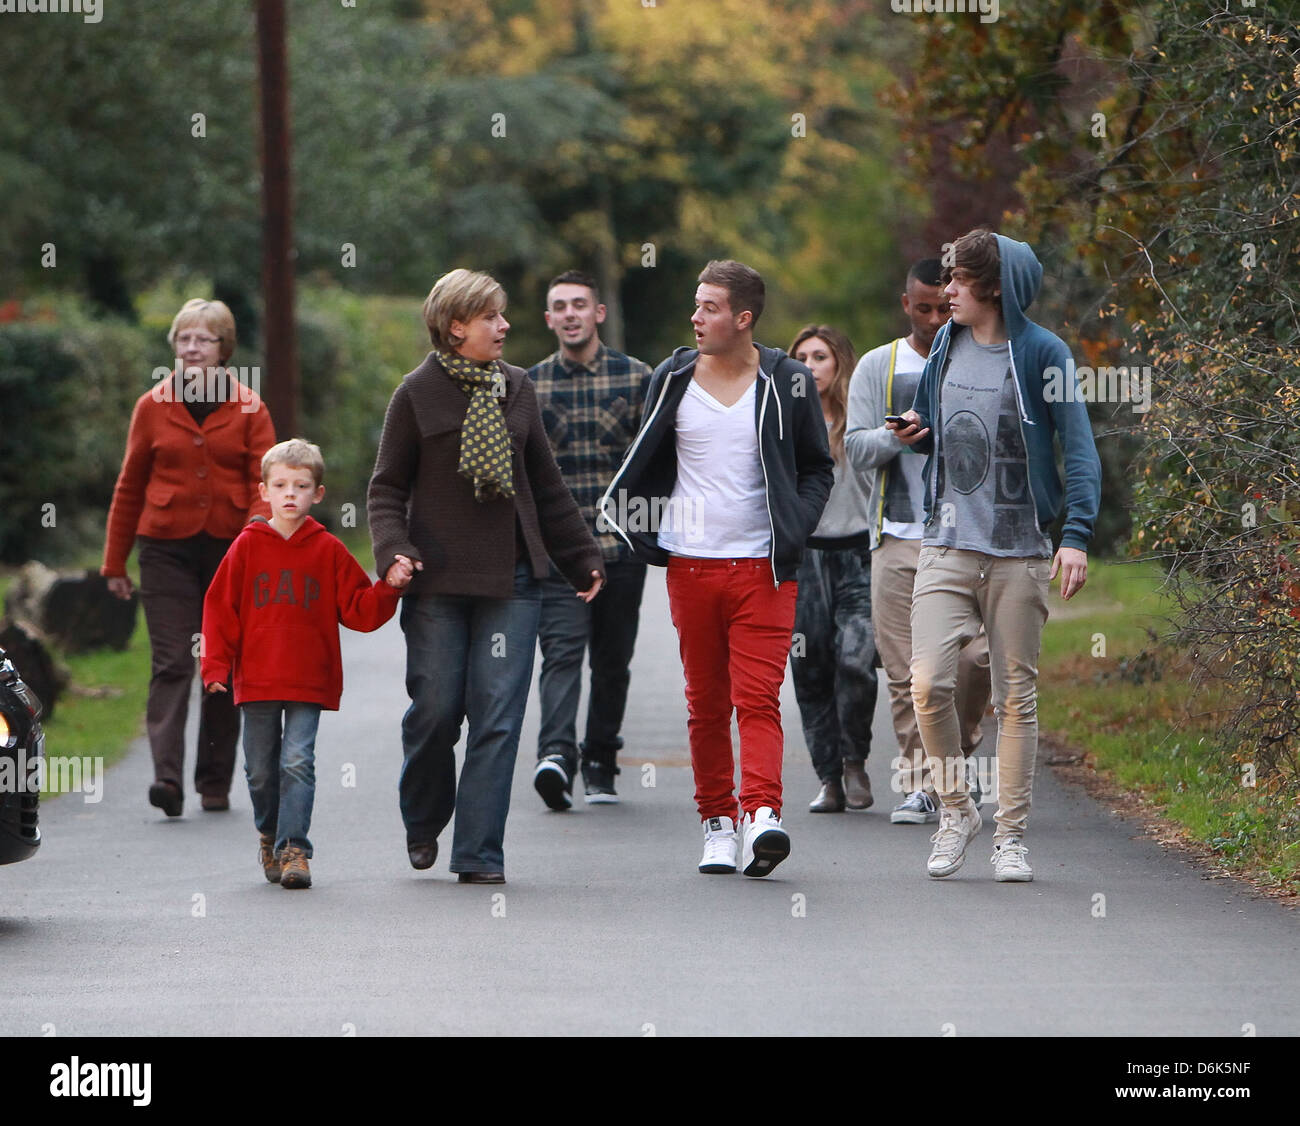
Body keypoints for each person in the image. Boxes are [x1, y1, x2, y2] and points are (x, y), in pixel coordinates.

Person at [368, 268, 604, 884]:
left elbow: (545, 485)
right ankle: (423, 817)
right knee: (438, 711)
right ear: (456, 327)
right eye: (491, 318)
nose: (504, 327)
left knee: (498, 717)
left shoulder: (518, 388)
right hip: (437, 583)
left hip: (514, 581)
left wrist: (582, 554)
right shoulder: (415, 393)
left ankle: (478, 853)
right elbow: (386, 487)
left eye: (502, 317)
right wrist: (393, 548)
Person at [600, 260, 833, 877]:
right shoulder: (672, 376)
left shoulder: (787, 381)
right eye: (695, 304)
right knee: (707, 703)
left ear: (743, 318)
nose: (695, 317)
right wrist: (642, 526)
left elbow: (817, 467)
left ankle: (762, 815)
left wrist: (796, 525)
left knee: (757, 698)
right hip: (692, 568)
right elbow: (647, 456)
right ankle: (717, 824)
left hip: (764, 567)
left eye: (708, 307)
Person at [892, 230, 1101, 882]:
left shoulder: (1043, 352)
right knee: (927, 684)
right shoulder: (947, 346)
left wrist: (1075, 536)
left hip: (1019, 551)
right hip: (948, 542)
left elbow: (1078, 446)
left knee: (1016, 699)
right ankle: (957, 809)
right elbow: (937, 429)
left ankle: (1011, 837)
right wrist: (919, 433)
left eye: (956, 281)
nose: (943, 292)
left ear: (991, 287)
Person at [200, 439, 414, 889]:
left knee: (297, 760)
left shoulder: (328, 550)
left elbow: (359, 608)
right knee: (260, 769)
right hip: (256, 677)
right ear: (264, 491)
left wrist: (389, 585)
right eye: (281, 485)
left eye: (301, 485)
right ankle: (269, 832)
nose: (290, 494)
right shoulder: (246, 548)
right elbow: (220, 608)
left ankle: (295, 848)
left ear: (318, 493)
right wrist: (215, 667)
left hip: (308, 678)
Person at [102, 298, 276, 818]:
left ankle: (214, 782)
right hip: (165, 550)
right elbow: (129, 486)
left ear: (225, 351)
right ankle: (167, 779)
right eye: (184, 339)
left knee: (220, 663)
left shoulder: (250, 408)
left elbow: (263, 482)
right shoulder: (151, 407)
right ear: (173, 348)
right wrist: (114, 563)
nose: (192, 348)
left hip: (230, 550)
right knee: (173, 661)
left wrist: (255, 535)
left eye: (204, 339)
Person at [845, 259, 992, 826]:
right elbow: (854, 449)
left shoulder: (980, 358)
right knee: (906, 673)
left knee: (977, 658)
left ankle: (954, 758)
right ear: (905, 304)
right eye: (923, 307)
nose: (935, 318)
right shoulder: (877, 366)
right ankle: (922, 784)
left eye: (942, 306)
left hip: (968, 535)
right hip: (898, 536)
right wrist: (897, 437)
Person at [527, 270, 653, 809]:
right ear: (549, 319)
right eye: (561, 306)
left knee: (611, 659)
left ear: (598, 313)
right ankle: (556, 756)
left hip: (622, 550)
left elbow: (656, 463)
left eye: (581, 303)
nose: (571, 313)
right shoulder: (527, 385)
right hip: (559, 555)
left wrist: (652, 531)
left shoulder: (637, 378)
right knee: (560, 653)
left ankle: (601, 757)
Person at [787, 325, 878, 813]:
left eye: (819, 356)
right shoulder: (784, 423)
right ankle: (828, 776)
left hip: (859, 555)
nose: (810, 365)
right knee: (810, 665)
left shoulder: (859, 422)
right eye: (801, 357)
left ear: (840, 362)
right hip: (805, 558)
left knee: (856, 659)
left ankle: (854, 760)